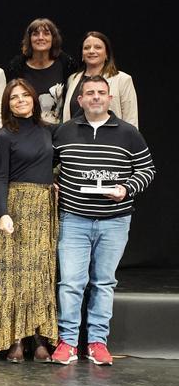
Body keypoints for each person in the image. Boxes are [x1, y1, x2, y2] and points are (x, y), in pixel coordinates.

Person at [51, 75, 155, 366]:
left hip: (115, 220)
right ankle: (68, 342)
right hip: (74, 220)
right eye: (90, 93)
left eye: (101, 93)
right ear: (80, 100)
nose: (95, 97)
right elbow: (47, 165)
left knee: (104, 282)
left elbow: (147, 170)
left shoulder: (128, 133)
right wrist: (53, 182)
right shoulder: (63, 132)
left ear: (110, 99)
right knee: (70, 283)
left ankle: (97, 342)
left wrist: (126, 188)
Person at [0, 79, 57, 363]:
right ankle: (15, 340)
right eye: (14, 97)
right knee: (14, 275)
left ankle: (41, 339)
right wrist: (3, 212)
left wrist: (55, 182)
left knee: (41, 274)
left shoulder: (48, 130)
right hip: (16, 206)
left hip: (43, 207)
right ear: (7, 104)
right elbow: (1, 176)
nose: (20, 100)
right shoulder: (5, 135)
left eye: (25, 95)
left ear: (34, 99)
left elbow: (54, 163)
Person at [6, 18, 77, 125]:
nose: (41, 37)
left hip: (59, 130)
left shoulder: (66, 64)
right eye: (35, 34)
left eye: (46, 34)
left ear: (53, 39)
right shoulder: (17, 66)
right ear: (29, 39)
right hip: (26, 130)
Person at [62, 31, 138, 128]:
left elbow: (131, 119)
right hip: (74, 140)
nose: (91, 51)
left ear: (107, 54)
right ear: (82, 54)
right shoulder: (72, 79)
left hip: (110, 140)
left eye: (98, 47)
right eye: (86, 48)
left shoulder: (122, 80)